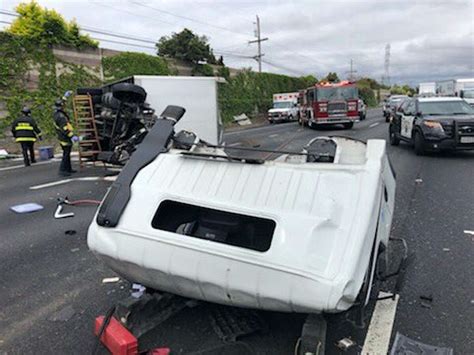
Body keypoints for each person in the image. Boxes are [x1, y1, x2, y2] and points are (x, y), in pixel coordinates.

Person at [53, 99, 78, 176]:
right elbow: (64, 128)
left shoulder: (57, 114)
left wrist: (64, 98)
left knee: (67, 154)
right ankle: (62, 170)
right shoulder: (61, 117)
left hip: (63, 136)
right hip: (64, 137)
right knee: (66, 154)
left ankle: (68, 169)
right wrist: (72, 136)